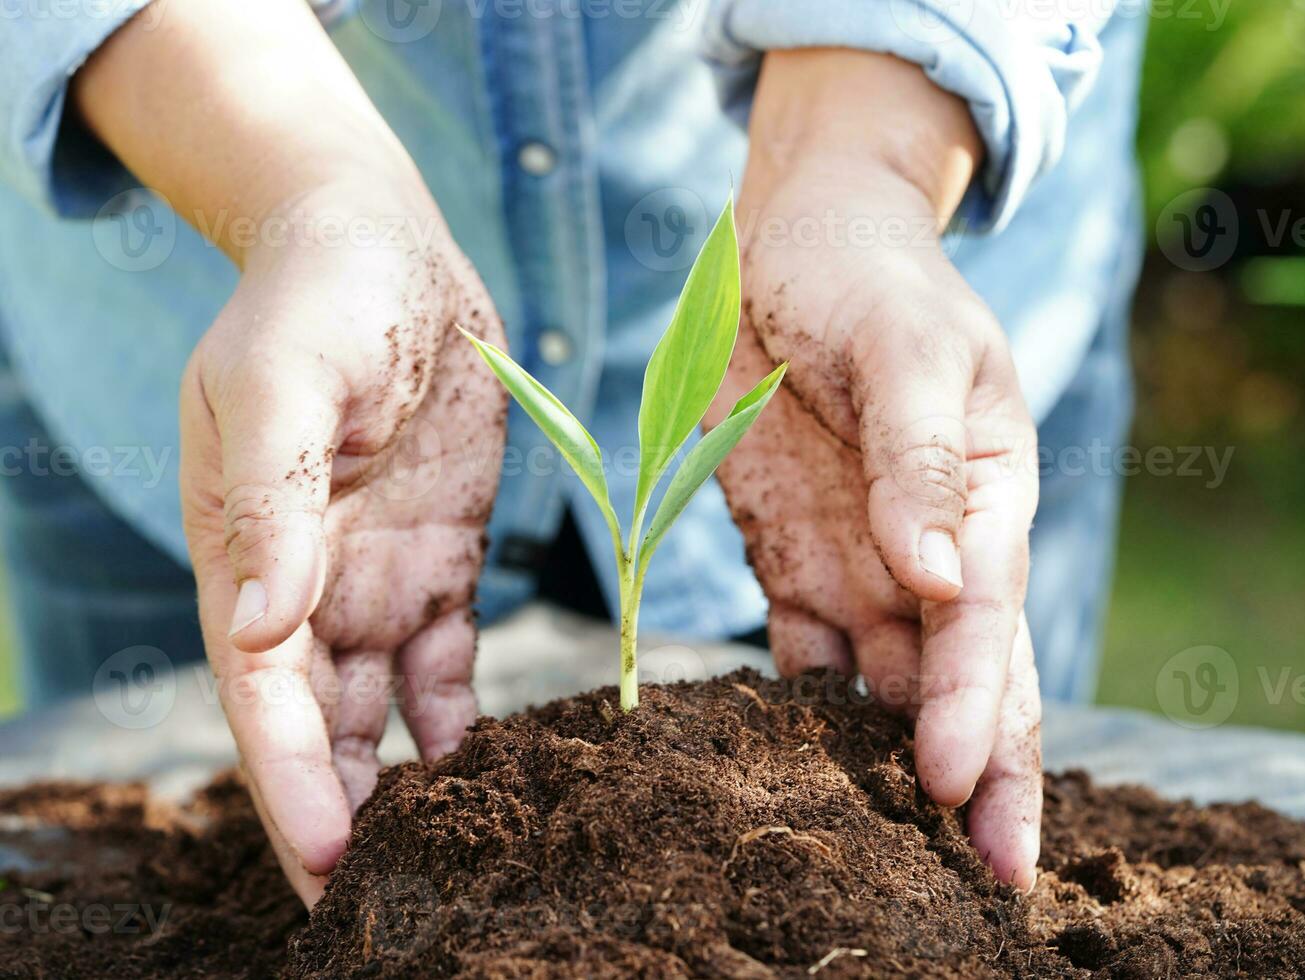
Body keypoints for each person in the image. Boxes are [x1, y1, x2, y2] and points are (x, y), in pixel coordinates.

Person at [0, 0, 1145, 904]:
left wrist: (867, 175)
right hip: (237, 319)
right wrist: (305, 200)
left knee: (935, 767)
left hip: (886, 342)